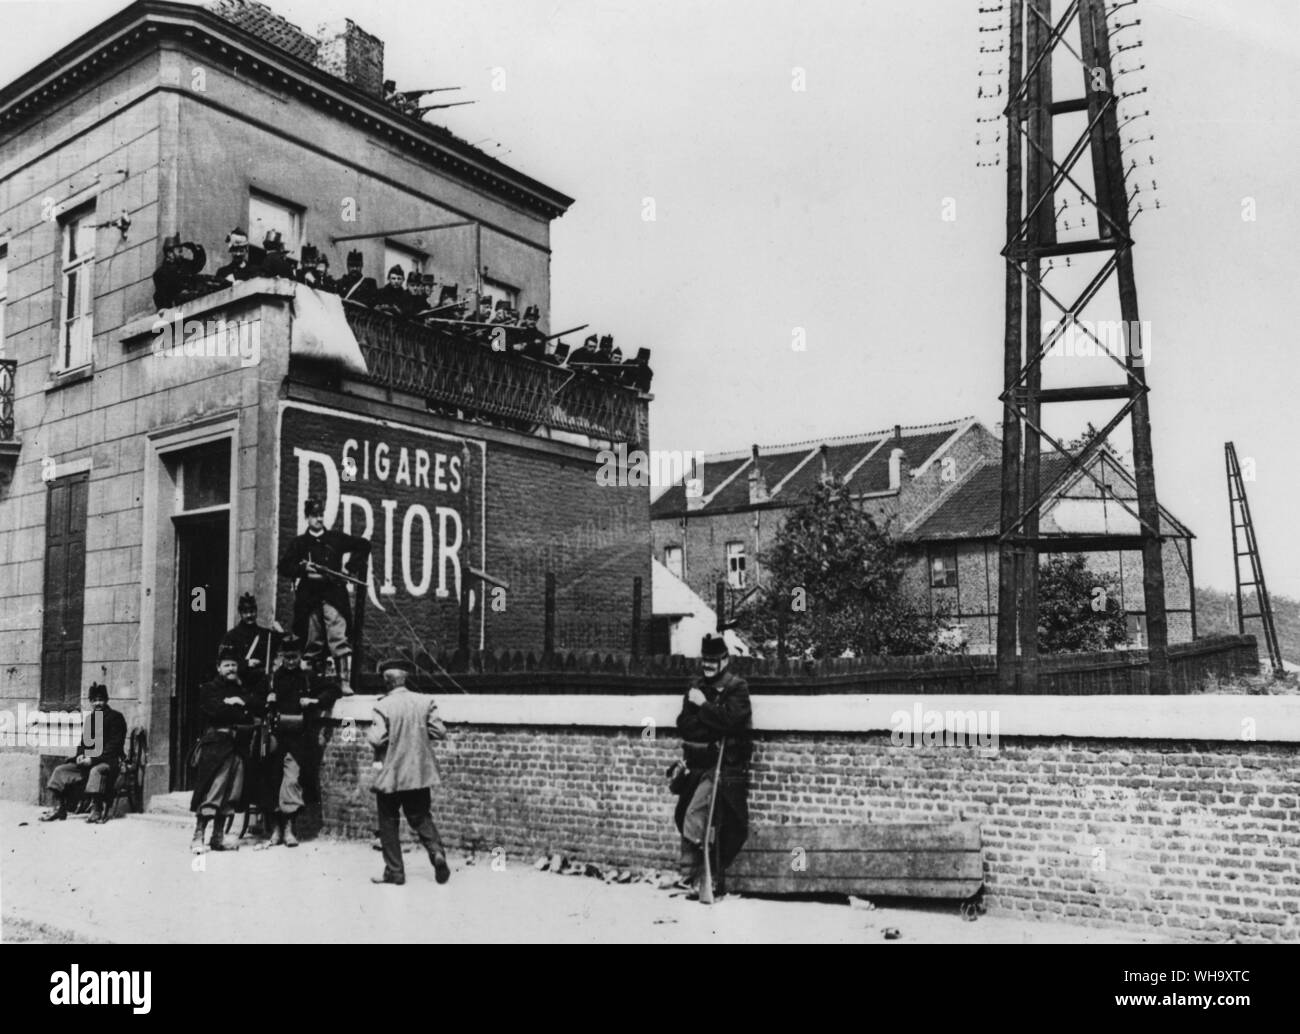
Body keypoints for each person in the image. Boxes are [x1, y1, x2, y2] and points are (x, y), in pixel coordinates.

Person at [672, 634, 752, 899]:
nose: (707, 665)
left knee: (697, 815)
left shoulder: (736, 688)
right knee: (684, 813)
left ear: (725, 661)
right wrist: (712, 720)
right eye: (705, 660)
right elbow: (685, 724)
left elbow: (732, 722)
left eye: (713, 661)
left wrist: (703, 706)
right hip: (697, 764)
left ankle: (696, 874)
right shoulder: (695, 687)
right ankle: (694, 875)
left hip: (724, 767)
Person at [367, 660, 451, 886]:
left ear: (387, 682)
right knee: (420, 816)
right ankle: (436, 852)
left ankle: (395, 872)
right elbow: (439, 731)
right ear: (404, 679)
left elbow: (377, 738)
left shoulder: (382, 706)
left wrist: (371, 734)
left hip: (391, 773)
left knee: (388, 821)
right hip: (418, 772)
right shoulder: (424, 701)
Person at [276, 495, 371, 686]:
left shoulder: (335, 538)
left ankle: (344, 682)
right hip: (309, 599)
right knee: (312, 641)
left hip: (333, 595)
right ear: (307, 518)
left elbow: (364, 545)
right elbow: (284, 567)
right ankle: (312, 683)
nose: (318, 519)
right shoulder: (299, 543)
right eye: (314, 515)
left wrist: (349, 568)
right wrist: (303, 569)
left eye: (320, 515)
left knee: (338, 636)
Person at [257, 635, 340, 847]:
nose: (291, 661)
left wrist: (314, 700)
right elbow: (254, 701)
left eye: (294, 657)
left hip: (297, 740)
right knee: (272, 782)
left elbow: (333, 689)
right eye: (287, 657)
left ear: (300, 656)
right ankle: (275, 830)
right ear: (281, 657)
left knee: (292, 781)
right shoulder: (272, 679)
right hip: (275, 739)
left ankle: (289, 828)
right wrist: (267, 700)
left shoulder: (307, 678)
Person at [190, 646, 263, 852]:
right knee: (213, 790)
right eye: (226, 665)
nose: (231, 669)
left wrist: (240, 701)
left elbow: (257, 708)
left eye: (233, 665)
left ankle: (218, 837)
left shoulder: (241, 689)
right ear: (218, 668)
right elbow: (215, 712)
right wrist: (238, 709)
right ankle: (198, 836)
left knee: (231, 792)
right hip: (216, 746)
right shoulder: (209, 689)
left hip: (238, 747)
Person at [40, 683, 127, 824]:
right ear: (90, 702)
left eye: (100, 700)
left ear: (106, 700)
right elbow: (83, 743)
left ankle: (97, 809)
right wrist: (80, 755)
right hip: (88, 761)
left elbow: (114, 746)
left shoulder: (116, 718)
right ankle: (59, 808)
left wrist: (92, 760)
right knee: (60, 770)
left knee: (96, 771)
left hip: (108, 761)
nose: (97, 703)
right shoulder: (90, 719)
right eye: (94, 700)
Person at [219, 592, 280, 693]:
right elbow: (223, 662)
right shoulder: (231, 636)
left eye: (252, 611)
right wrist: (246, 663)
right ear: (240, 613)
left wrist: (280, 631)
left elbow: (288, 646)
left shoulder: (266, 634)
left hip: (261, 686)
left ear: (256, 611)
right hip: (239, 685)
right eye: (245, 612)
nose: (249, 615)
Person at [152, 233, 210, 310]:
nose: (181, 254)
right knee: (179, 315)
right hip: (176, 309)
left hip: (191, 305)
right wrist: (163, 308)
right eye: (179, 251)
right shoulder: (160, 273)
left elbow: (198, 265)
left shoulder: (184, 265)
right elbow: (161, 295)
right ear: (170, 254)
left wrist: (195, 249)